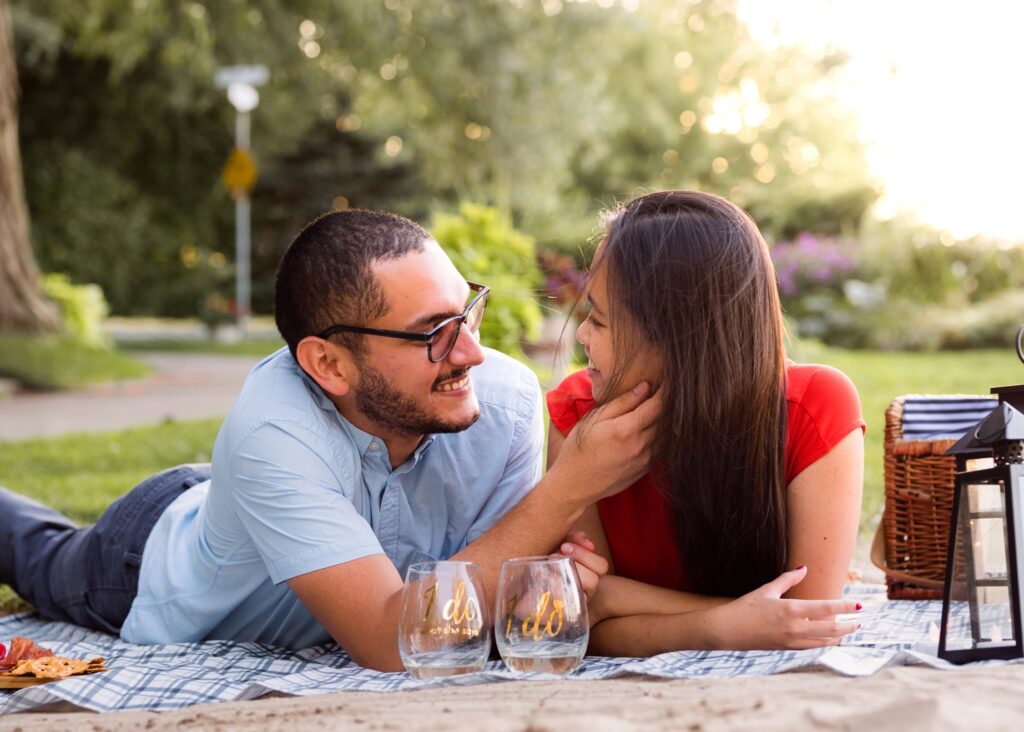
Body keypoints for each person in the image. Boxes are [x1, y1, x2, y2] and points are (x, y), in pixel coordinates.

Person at [0, 209, 659, 671]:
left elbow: (474, 612)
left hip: (267, 491)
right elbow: (391, 641)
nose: (473, 352)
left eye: (468, 311)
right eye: (434, 332)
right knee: (33, 549)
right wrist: (568, 486)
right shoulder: (272, 430)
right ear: (329, 366)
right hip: (141, 559)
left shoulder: (505, 402)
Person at [547, 190, 865, 655]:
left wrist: (619, 598)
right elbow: (585, 627)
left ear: (674, 334)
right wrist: (720, 625)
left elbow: (802, 621)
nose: (581, 334)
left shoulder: (814, 406)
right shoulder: (576, 415)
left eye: (598, 319)